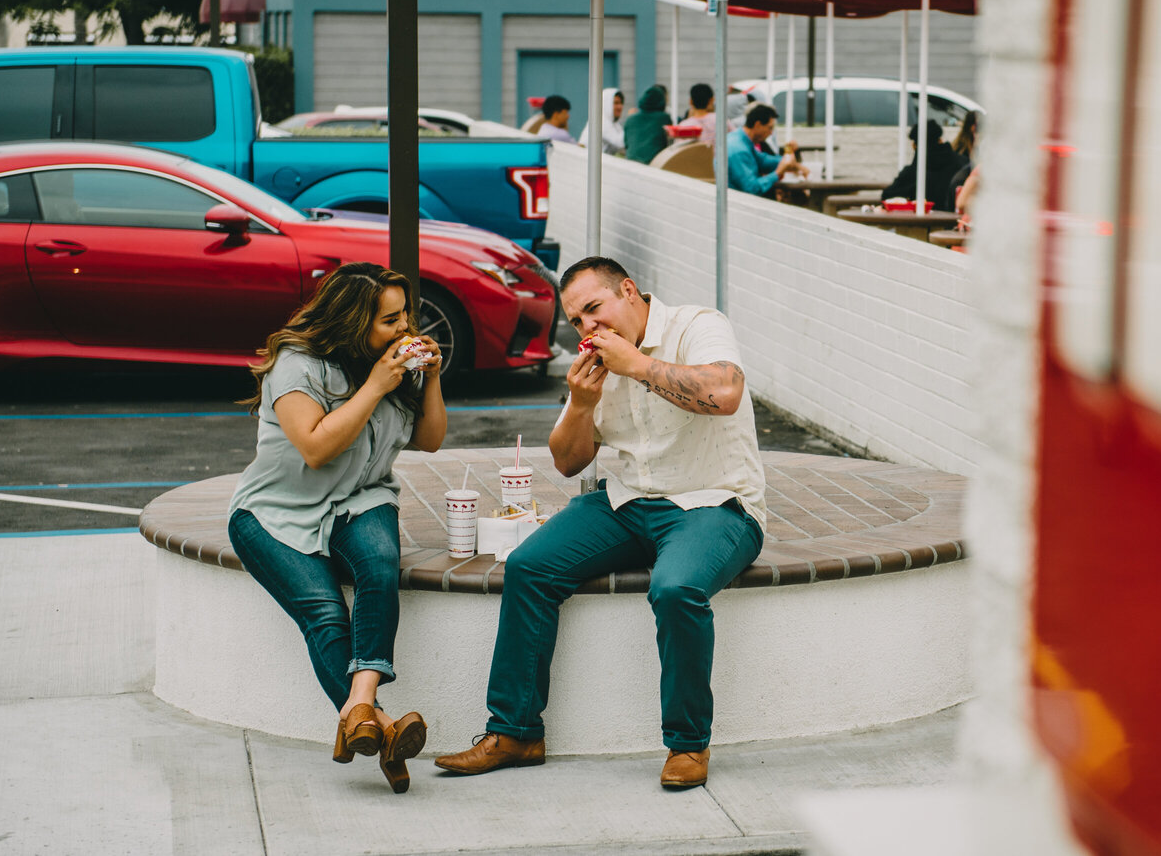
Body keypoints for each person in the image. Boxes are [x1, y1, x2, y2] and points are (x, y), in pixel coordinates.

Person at [434, 257, 766, 790]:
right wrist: (582, 405)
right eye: (578, 322)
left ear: (628, 291)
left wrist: (635, 364)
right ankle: (516, 731)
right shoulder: (598, 363)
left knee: (676, 588)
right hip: (629, 502)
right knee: (529, 567)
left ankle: (687, 745)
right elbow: (568, 461)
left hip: (716, 502)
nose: (590, 328)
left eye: (595, 309)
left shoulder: (697, 325)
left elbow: (724, 394)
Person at [226, 262, 447, 794]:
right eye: (389, 319)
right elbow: (317, 447)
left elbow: (432, 440)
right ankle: (386, 731)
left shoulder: (394, 366)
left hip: (361, 498)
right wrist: (374, 386)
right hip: (275, 512)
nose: (403, 328)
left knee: (378, 566)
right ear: (353, 321)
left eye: (405, 315)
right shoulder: (296, 364)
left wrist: (431, 377)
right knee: (325, 613)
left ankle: (360, 712)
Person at [882, 120, 962, 211]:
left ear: (914, 145)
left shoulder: (912, 172)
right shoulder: (962, 163)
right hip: (957, 221)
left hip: (921, 222)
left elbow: (887, 196)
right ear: (940, 140)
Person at [726, 104, 804, 196]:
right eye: (770, 128)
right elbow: (752, 188)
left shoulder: (741, 140)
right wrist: (777, 173)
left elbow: (763, 160)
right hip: (739, 203)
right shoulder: (739, 149)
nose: (771, 133)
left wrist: (787, 160)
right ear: (758, 125)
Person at [623, 84, 675, 164]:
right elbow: (670, 143)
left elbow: (626, 144)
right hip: (654, 163)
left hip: (632, 162)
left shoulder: (631, 119)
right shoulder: (664, 118)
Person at [600, 88, 626, 156]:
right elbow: (621, 143)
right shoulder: (601, 122)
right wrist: (632, 122)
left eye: (621, 103)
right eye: (616, 103)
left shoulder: (615, 124)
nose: (620, 107)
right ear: (606, 103)